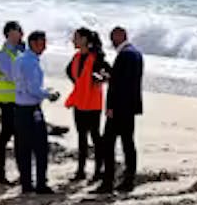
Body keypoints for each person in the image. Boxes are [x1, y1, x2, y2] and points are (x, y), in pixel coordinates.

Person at [95, 26, 143, 194]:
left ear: (120, 36)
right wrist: (110, 77)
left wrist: (110, 107)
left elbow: (119, 86)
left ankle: (108, 182)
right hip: (129, 106)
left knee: (108, 144)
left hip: (119, 108)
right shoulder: (136, 53)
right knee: (128, 143)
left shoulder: (125, 55)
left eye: (113, 38)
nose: (112, 42)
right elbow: (127, 82)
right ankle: (129, 179)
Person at [11, 30, 59, 195]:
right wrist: (49, 94)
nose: (44, 47)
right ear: (33, 43)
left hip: (19, 107)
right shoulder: (30, 62)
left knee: (23, 148)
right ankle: (40, 184)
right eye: (42, 43)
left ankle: (26, 183)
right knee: (40, 147)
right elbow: (33, 89)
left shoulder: (19, 59)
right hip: (30, 108)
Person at [64, 27, 111, 182]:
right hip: (79, 103)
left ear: (84, 39)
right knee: (81, 138)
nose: (73, 40)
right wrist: (79, 85)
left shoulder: (96, 57)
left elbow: (108, 73)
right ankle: (81, 171)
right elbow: (69, 72)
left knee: (95, 137)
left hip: (92, 104)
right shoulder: (76, 57)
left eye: (76, 37)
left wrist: (102, 78)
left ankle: (99, 171)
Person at [0, 21, 26, 187]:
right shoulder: (3, 55)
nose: (16, 36)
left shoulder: (21, 53)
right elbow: (14, 75)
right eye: (13, 33)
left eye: (18, 32)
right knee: (6, 137)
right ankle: (2, 175)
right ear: (7, 35)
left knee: (20, 137)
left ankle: (22, 174)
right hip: (7, 102)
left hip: (20, 101)